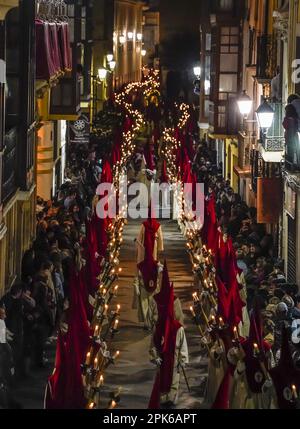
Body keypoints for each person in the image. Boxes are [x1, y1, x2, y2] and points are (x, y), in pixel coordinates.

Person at [148, 261, 189, 408]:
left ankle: (170, 397)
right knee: (164, 375)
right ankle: (164, 396)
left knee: (173, 376)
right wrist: (154, 356)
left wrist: (183, 358)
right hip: (162, 352)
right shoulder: (169, 325)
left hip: (174, 353)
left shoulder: (177, 329)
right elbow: (179, 318)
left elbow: (150, 317)